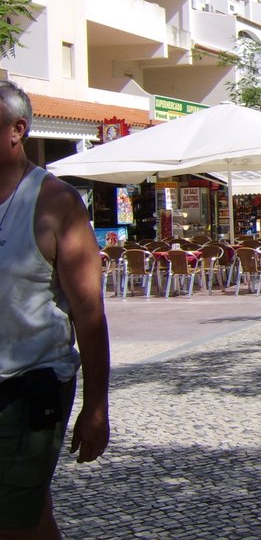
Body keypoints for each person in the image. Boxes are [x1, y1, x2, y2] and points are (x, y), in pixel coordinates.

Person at [0, 80, 110, 538]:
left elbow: (89, 313)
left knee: (15, 522)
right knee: (28, 514)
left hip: (28, 392)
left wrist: (96, 406)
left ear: (16, 129)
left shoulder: (56, 203)